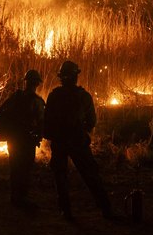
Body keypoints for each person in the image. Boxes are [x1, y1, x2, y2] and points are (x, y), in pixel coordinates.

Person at [44, 60, 113, 221]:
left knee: (60, 177)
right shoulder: (84, 96)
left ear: (61, 78)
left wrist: (52, 135)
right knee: (90, 174)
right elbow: (92, 122)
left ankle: (65, 211)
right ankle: (105, 208)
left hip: (60, 141)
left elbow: (47, 122)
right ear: (76, 77)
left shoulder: (54, 96)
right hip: (78, 141)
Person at [0, 69, 46, 209]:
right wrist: (38, 135)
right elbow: (42, 123)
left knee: (15, 167)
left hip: (14, 139)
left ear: (26, 82)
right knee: (25, 168)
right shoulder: (37, 102)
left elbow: (2, 110)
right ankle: (22, 198)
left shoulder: (16, 97)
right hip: (27, 141)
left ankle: (15, 196)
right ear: (37, 84)